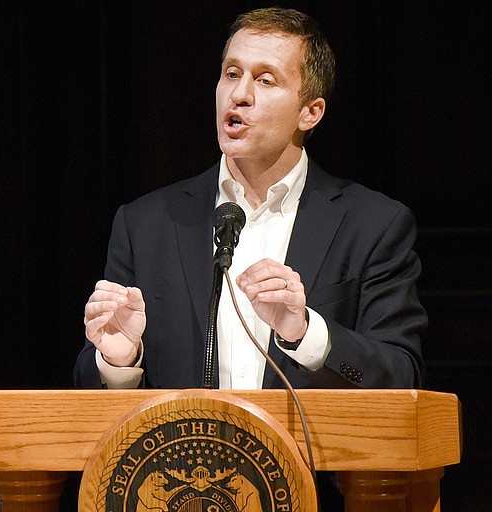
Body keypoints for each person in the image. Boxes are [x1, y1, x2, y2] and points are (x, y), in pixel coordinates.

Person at [73, 7, 427, 393]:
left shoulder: (374, 224)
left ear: (310, 112)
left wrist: (306, 333)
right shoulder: (145, 224)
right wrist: (119, 361)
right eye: (232, 74)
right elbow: (91, 392)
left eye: (265, 80)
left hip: (310, 454)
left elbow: (401, 374)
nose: (239, 95)